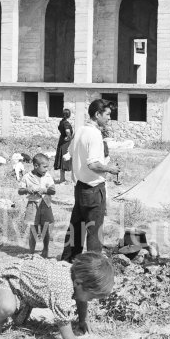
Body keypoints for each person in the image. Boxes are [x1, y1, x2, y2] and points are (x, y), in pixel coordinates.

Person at [0, 252, 114, 339]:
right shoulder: (62, 287)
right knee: (7, 308)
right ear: (78, 283)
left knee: (18, 322)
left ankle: (21, 305)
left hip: (29, 286)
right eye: (91, 297)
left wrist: (83, 319)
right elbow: (62, 320)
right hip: (12, 277)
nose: (90, 300)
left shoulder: (77, 277)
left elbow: (81, 299)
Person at [61, 99, 120, 263]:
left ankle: (67, 262)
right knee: (95, 231)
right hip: (94, 189)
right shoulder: (94, 134)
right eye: (107, 114)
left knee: (76, 228)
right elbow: (93, 164)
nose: (109, 118)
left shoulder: (80, 130)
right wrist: (110, 168)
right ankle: (93, 266)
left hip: (80, 187)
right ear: (97, 114)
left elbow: (70, 152)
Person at [19, 154, 56, 258]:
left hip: (45, 204)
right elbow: (20, 191)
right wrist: (27, 190)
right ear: (36, 166)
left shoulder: (48, 176)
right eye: (44, 167)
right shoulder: (27, 177)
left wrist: (45, 190)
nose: (46, 169)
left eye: (47, 167)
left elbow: (53, 190)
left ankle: (45, 249)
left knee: (45, 229)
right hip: (33, 205)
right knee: (33, 229)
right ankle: (31, 251)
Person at [54, 109, 74, 184]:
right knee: (67, 159)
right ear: (69, 115)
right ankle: (72, 179)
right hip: (66, 143)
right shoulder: (66, 123)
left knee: (62, 160)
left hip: (61, 141)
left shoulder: (61, 121)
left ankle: (62, 179)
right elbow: (68, 131)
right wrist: (70, 137)